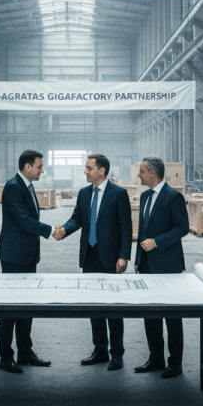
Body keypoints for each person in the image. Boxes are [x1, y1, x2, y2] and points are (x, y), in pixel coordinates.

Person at [59, 154, 132, 371]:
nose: (85, 171)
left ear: (101, 170)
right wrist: (64, 230)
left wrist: (124, 256)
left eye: (89, 168)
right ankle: (99, 350)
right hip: (89, 256)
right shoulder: (83, 193)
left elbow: (126, 228)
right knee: (94, 306)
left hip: (110, 258)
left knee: (113, 308)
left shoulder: (118, 194)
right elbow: (77, 219)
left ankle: (116, 354)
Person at [0, 149, 60, 374]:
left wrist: (36, 251)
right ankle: (6, 358)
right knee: (10, 309)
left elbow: (30, 221)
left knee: (26, 306)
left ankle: (25, 352)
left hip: (27, 255)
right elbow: (24, 221)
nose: (42, 170)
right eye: (40, 167)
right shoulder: (13, 187)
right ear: (27, 167)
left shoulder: (28, 186)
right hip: (13, 257)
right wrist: (52, 230)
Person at [134, 156, 189, 379]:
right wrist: (139, 259)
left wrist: (156, 242)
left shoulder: (173, 197)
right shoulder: (146, 196)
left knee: (172, 316)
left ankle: (175, 363)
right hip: (147, 264)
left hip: (168, 265)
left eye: (141, 171)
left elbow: (182, 228)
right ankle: (155, 358)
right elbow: (143, 231)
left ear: (152, 173)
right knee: (150, 314)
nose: (139, 175)